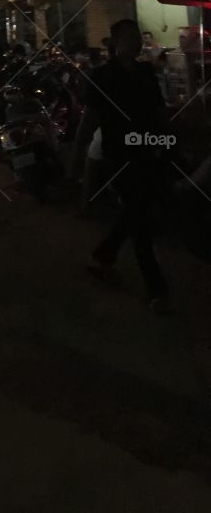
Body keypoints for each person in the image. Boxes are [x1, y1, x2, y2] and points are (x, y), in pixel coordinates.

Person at [73, 18, 174, 312]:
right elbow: (89, 120)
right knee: (139, 218)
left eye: (137, 38)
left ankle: (105, 255)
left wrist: (169, 142)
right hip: (118, 156)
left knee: (137, 210)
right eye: (129, 38)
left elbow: (158, 111)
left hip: (148, 151)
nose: (136, 42)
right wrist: (77, 159)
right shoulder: (103, 77)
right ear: (115, 42)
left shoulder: (145, 72)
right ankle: (157, 289)